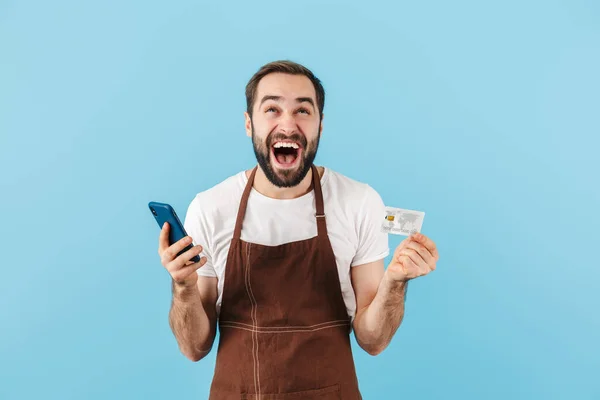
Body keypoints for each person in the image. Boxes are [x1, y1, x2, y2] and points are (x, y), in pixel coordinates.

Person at [157, 60, 440, 399]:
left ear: (320, 124)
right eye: (272, 109)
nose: (287, 124)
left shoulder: (359, 202)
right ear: (249, 124)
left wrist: (394, 285)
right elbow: (194, 348)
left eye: (303, 111)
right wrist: (184, 287)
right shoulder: (211, 207)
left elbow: (373, 340)